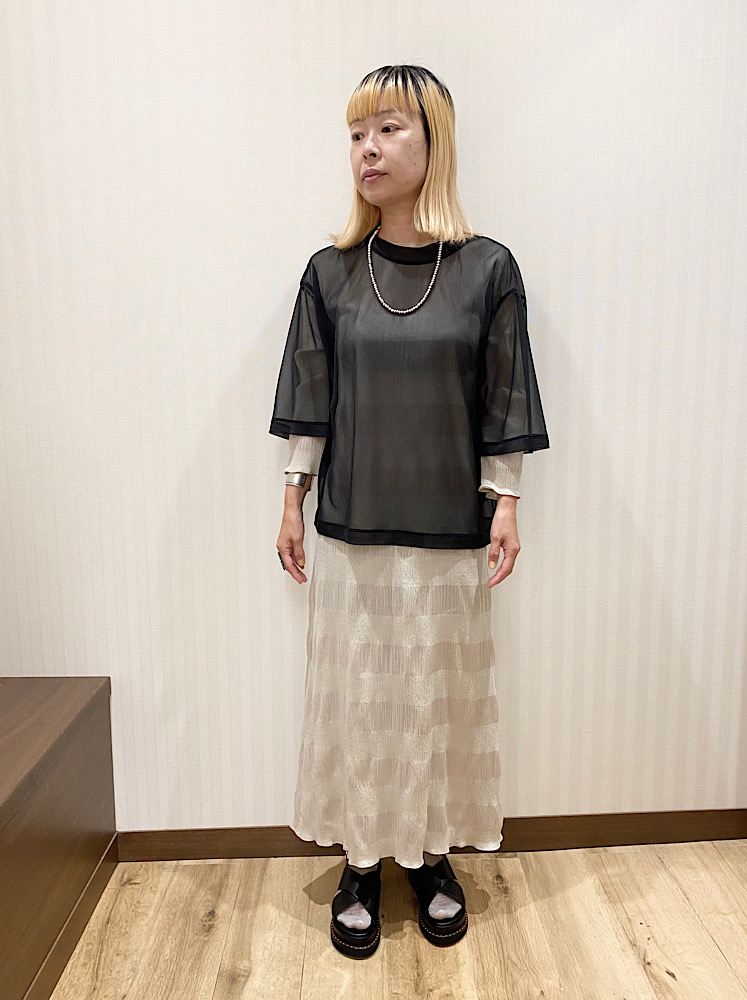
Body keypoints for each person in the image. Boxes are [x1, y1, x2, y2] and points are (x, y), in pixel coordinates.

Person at [269, 64, 549, 958]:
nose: (369, 149)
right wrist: (291, 497)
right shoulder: (329, 274)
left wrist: (506, 501)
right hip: (353, 527)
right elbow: (311, 397)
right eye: (357, 134)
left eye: (389, 129)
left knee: (434, 702)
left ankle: (429, 857)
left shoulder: (487, 269)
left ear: (435, 142)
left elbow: (502, 393)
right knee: (360, 700)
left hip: (448, 528)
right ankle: (359, 862)